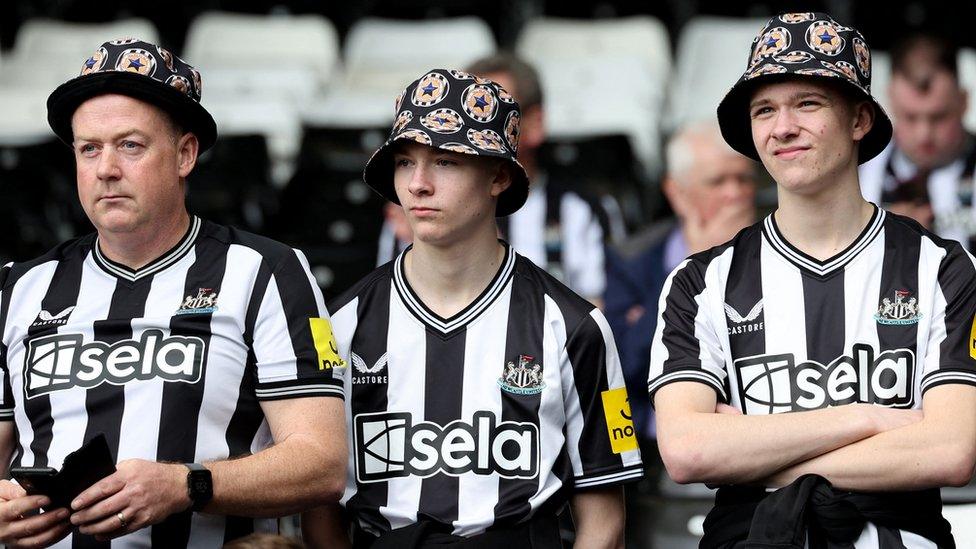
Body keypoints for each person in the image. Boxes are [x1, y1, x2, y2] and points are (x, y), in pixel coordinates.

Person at [0, 39, 347, 548]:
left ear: (185, 154)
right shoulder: (19, 286)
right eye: (88, 148)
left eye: (131, 145)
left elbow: (323, 464)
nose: (106, 169)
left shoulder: (265, 271)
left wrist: (188, 485)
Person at [650, 12, 976, 547]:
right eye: (763, 110)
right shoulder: (698, 280)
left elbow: (949, 450)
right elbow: (688, 451)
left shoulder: (943, 268)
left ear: (859, 120)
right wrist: (872, 419)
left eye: (807, 103)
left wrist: (754, 454)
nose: (782, 127)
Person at [302, 69, 643, 549]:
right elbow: (319, 503)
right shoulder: (338, 324)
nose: (418, 184)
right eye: (404, 162)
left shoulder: (575, 326)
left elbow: (605, 520)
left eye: (444, 162)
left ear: (499, 176)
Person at [377, 54, 611, 305]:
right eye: (405, 162)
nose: (472, 124)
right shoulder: (417, 206)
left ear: (535, 123)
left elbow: (600, 315)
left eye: (491, 111)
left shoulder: (579, 209)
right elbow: (387, 311)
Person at [604, 121, 756, 438]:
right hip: (655, 446)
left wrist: (647, 316)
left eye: (743, 179)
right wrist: (697, 262)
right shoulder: (632, 257)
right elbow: (623, 367)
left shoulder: (781, 248)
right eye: (717, 182)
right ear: (677, 192)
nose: (735, 194)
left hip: (755, 430)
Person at [859, 33, 975, 245]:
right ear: (891, 102)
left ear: (964, 102)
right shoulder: (856, 168)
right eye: (910, 117)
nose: (924, 135)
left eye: (939, 117)